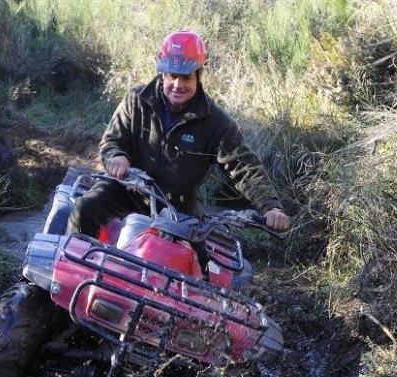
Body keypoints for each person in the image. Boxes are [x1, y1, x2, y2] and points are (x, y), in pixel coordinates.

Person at [67, 30, 290, 239]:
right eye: (172, 76)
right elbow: (113, 140)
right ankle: (66, 272)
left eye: (186, 78)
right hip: (126, 191)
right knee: (86, 207)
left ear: (199, 76)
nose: (178, 85)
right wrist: (116, 156)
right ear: (163, 74)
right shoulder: (137, 100)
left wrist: (271, 207)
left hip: (177, 208)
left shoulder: (215, 121)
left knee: (198, 262)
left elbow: (244, 167)